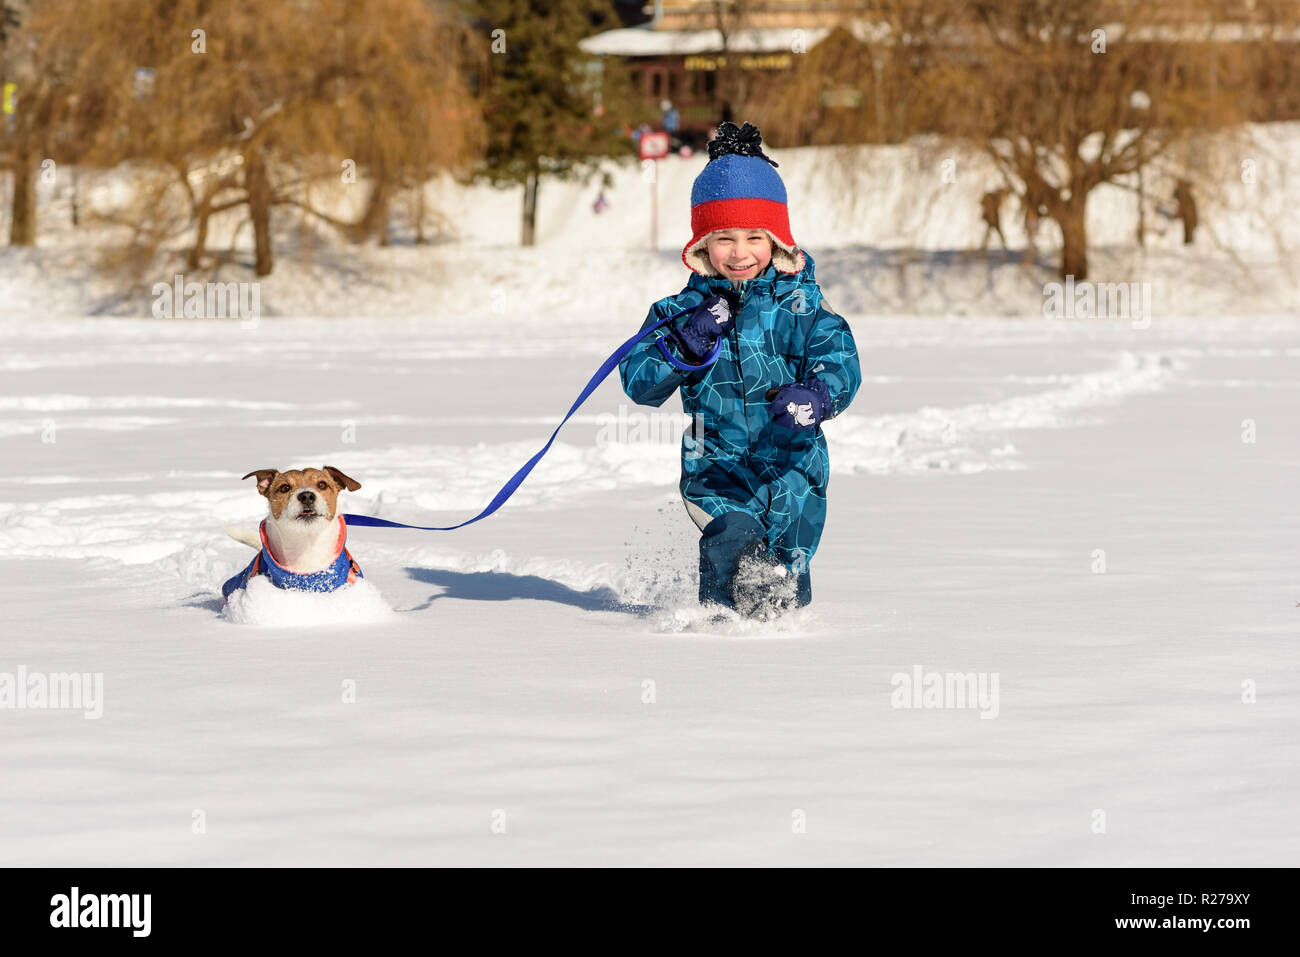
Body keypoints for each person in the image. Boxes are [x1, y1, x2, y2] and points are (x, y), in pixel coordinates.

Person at [618, 122, 861, 618]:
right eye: (723, 238)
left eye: (755, 237)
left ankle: (777, 652)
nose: (740, 251)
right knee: (733, 541)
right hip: (717, 465)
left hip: (795, 471)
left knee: (786, 580)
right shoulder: (680, 311)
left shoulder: (803, 305)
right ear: (702, 245)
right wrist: (683, 344)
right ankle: (721, 632)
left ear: (777, 241)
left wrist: (817, 396)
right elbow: (639, 381)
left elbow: (840, 359)